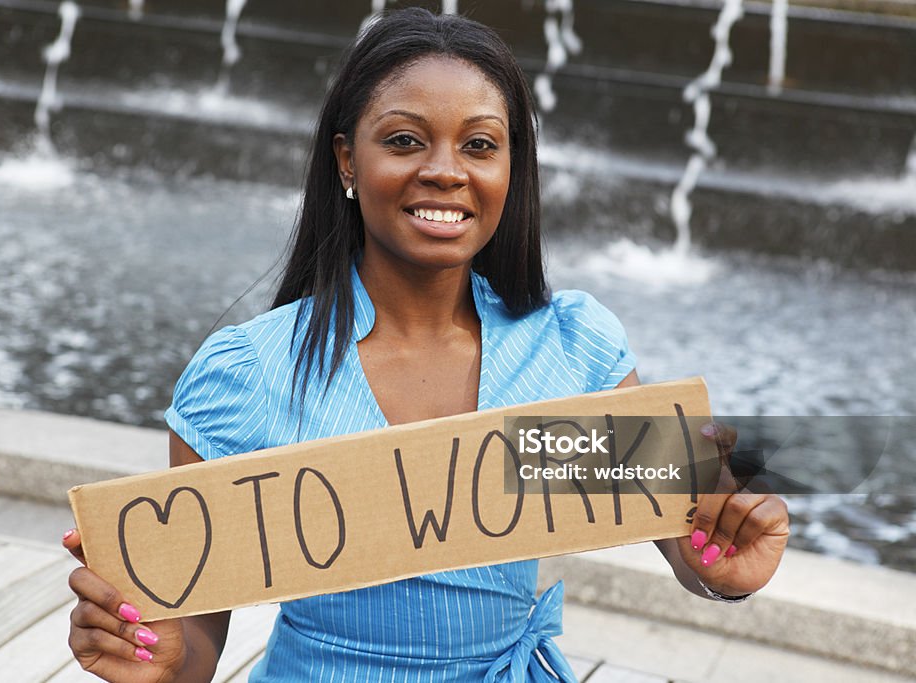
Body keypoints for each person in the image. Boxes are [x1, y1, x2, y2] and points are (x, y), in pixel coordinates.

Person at [63, 7, 790, 682]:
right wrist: (149, 654)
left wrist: (725, 562)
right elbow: (193, 647)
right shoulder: (246, 375)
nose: (446, 169)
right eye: (406, 139)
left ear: (511, 167)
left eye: (479, 144)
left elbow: (689, 538)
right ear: (347, 161)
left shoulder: (572, 349)